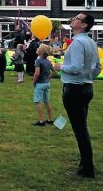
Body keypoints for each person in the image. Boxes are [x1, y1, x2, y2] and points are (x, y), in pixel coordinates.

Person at [53, 12, 101, 178]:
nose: (73, 19)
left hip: (74, 89)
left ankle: (87, 169)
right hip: (86, 88)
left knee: (80, 130)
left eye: (78, 19)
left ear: (84, 25)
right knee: (82, 127)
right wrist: (87, 78)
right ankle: (85, 163)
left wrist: (59, 67)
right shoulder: (91, 42)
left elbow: (76, 68)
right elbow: (97, 68)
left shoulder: (78, 43)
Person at [32, 44, 55, 126]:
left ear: (41, 51)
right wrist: (48, 78)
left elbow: (37, 74)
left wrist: (34, 82)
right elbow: (54, 71)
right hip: (47, 83)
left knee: (38, 102)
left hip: (40, 84)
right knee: (47, 101)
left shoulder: (38, 61)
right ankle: (49, 119)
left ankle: (41, 121)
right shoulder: (48, 61)